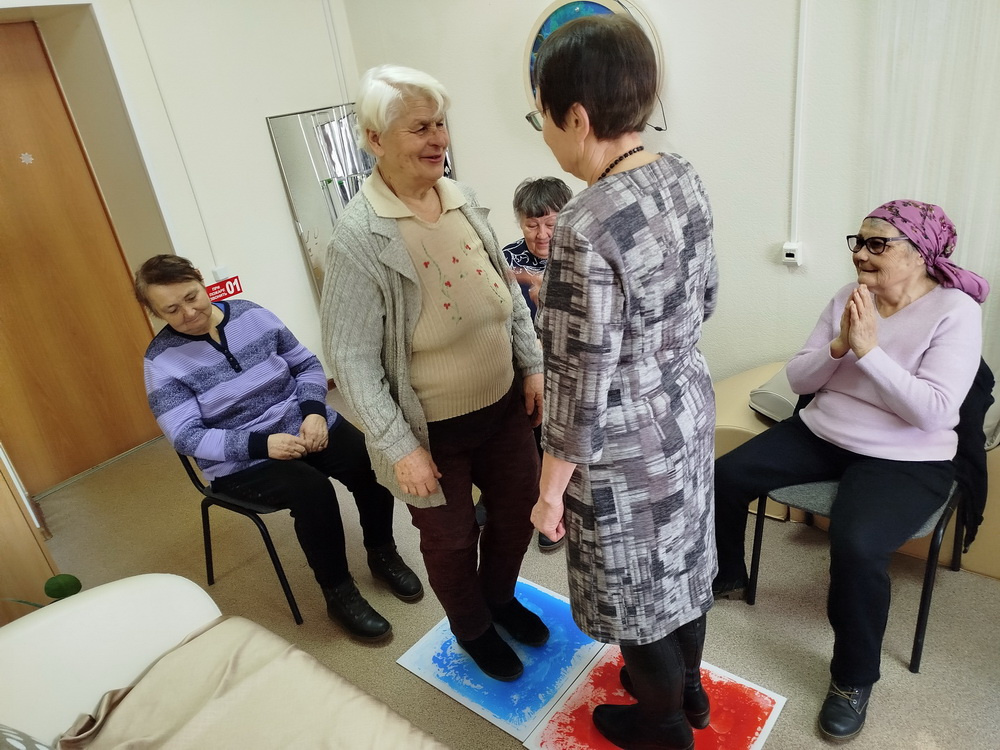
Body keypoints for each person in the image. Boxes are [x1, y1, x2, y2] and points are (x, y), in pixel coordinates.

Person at [712, 200, 988, 741]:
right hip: (824, 431)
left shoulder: (955, 311)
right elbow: (799, 380)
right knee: (724, 476)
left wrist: (869, 352)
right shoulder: (848, 296)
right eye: (858, 242)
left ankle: (853, 679)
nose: (860, 253)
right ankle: (728, 573)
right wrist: (839, 345)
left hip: (907, 456)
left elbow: (934, 412)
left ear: (920, 254)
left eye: (876, 244)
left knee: (858, 545)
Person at [527, 16, 719, 750]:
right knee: (682, 567)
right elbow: (706, 298)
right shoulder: (681, 175)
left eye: (543, 118)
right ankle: (690, 690)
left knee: (639, 599)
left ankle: (663, 725)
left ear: (577, 118)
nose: (546, 134)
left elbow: (576, 387)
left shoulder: (584, 224)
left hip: (624, 446)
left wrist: (550, 493)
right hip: (686, 407)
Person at [319, 65, 547, 682]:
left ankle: (499, 599)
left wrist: (531, 364)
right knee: (450, 539)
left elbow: (505, 291)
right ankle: (472, 628)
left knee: (517, 508)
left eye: (441, 123)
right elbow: (351, 359)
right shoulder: (358, 237)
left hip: (501, 404)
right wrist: (400, 447)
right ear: (375, 139)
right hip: (431, 430)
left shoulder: (461, 198)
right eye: (420, 128)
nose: (438, 138)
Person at [135, 255, 422, 643]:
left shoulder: (251, 314)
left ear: (201, 283)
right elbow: (186, 436)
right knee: (313, 491)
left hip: (302, 423)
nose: (189, 313)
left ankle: (382, 552)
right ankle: (339, 594)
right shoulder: (161, 361)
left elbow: (306, 365)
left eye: (192, 297)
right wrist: (261, 444)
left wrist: (314, 411)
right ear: (153, 312)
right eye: (171, 309)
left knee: (369, 460)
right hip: (240, 459)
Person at [499, 176, 573, 552]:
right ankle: (507, 495)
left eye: (550, 223)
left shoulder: (580, 257)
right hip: (517, 361)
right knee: (511, 427)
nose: (541, 234)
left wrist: (544, 288)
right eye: (531, 225)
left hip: (567, 365)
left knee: (554, 431)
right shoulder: (506, 258)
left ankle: (554, 503)